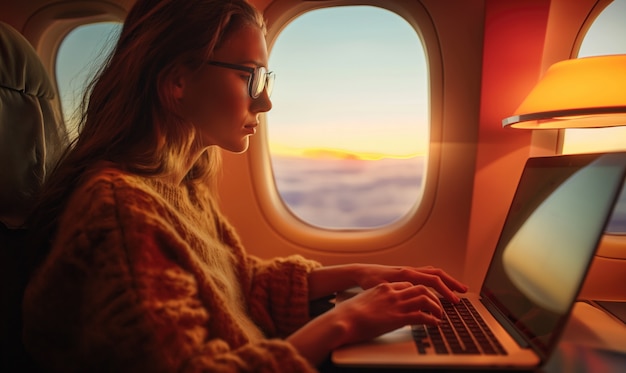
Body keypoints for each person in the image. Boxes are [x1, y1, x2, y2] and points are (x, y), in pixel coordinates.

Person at [22, 0, 468, 371]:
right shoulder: (121, 213)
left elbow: (236, 284)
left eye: (265, 78)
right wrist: (344, 321)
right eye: (249, 75)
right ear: (177, 81)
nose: (266, 100)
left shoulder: (182, 183)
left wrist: (358, 274)